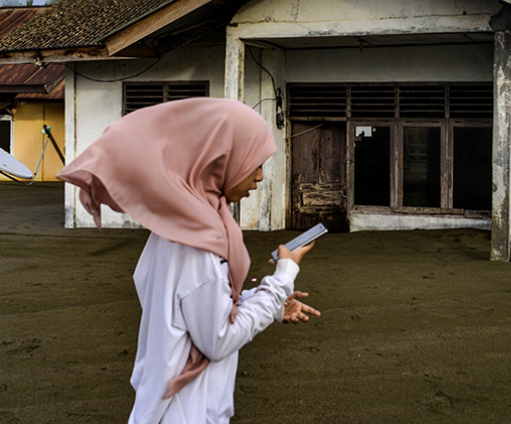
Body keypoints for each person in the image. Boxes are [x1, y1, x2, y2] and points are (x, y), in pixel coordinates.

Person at [57, 98, 320, 424]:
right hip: (185, 411)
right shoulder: (199, 240)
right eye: (252, 163)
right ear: (219, 161)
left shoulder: (176, 225)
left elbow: (187, 306)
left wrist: (266, 303)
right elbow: (219, 339)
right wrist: (283, 277)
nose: (260, 177)